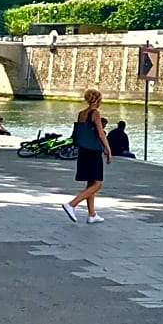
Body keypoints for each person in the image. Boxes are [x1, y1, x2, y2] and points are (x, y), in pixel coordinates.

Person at [62, 89, 111, 225]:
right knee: (97, 183)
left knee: (90, 182)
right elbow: (101, 134)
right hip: (94, 151)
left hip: (83, 150)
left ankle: (92, 214)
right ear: (98, 100)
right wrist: (108, 149)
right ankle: (72, 204)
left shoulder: (81, 114)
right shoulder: (95, 113)